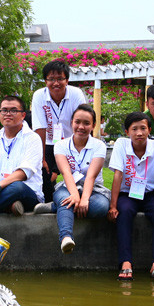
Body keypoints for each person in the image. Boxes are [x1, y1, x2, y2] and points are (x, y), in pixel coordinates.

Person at [108, 112, 154, 281]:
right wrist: (113, 206)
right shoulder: (121, 145)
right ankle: (125, 263)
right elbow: (118, 174)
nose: (139, 133)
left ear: (149, 130)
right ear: (127, 132)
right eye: (134, 129)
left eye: (143, 128)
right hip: (127, 193)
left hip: (150, 194)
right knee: (123, 213)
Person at [49, 104, 111, 253]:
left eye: (86, 123)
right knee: (67, 199)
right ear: (71, 123)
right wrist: (75, 195)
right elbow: (66, 173)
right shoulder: (61, 145)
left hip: (94, 190)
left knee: (101, 207)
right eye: (77, 122)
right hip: (68, 187)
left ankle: (55, 207)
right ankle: (66, 238)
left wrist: (84, 199)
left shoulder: (99, 146)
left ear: (94, 125)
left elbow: (91, 176)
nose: (81, 127)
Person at [31, 60, 87, 203]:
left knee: (80, 173)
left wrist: (83, 148)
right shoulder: (39, 96)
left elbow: (83, 119)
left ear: (67, 80)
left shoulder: (76, 94)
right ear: (45, 81)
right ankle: (49, 204)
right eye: (51, 79)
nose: (56, 83)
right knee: (44, 175)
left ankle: (83, 198)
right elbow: (40, 128)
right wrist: (42, 158)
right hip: (48, 143)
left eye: (60, 79)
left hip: (72, 142)